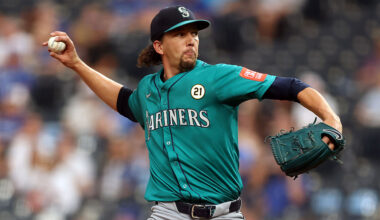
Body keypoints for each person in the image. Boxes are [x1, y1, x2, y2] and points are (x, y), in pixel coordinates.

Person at [43, 5, 342, 220]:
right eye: (180, 34)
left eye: (194, 33)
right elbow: (127, 103)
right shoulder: (148, 90)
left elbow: (290, 86)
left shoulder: (219, 78)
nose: (191, 39)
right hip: (167, 213)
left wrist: (331, 118)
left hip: (224, 213)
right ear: (159, 45)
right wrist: (77, 65)